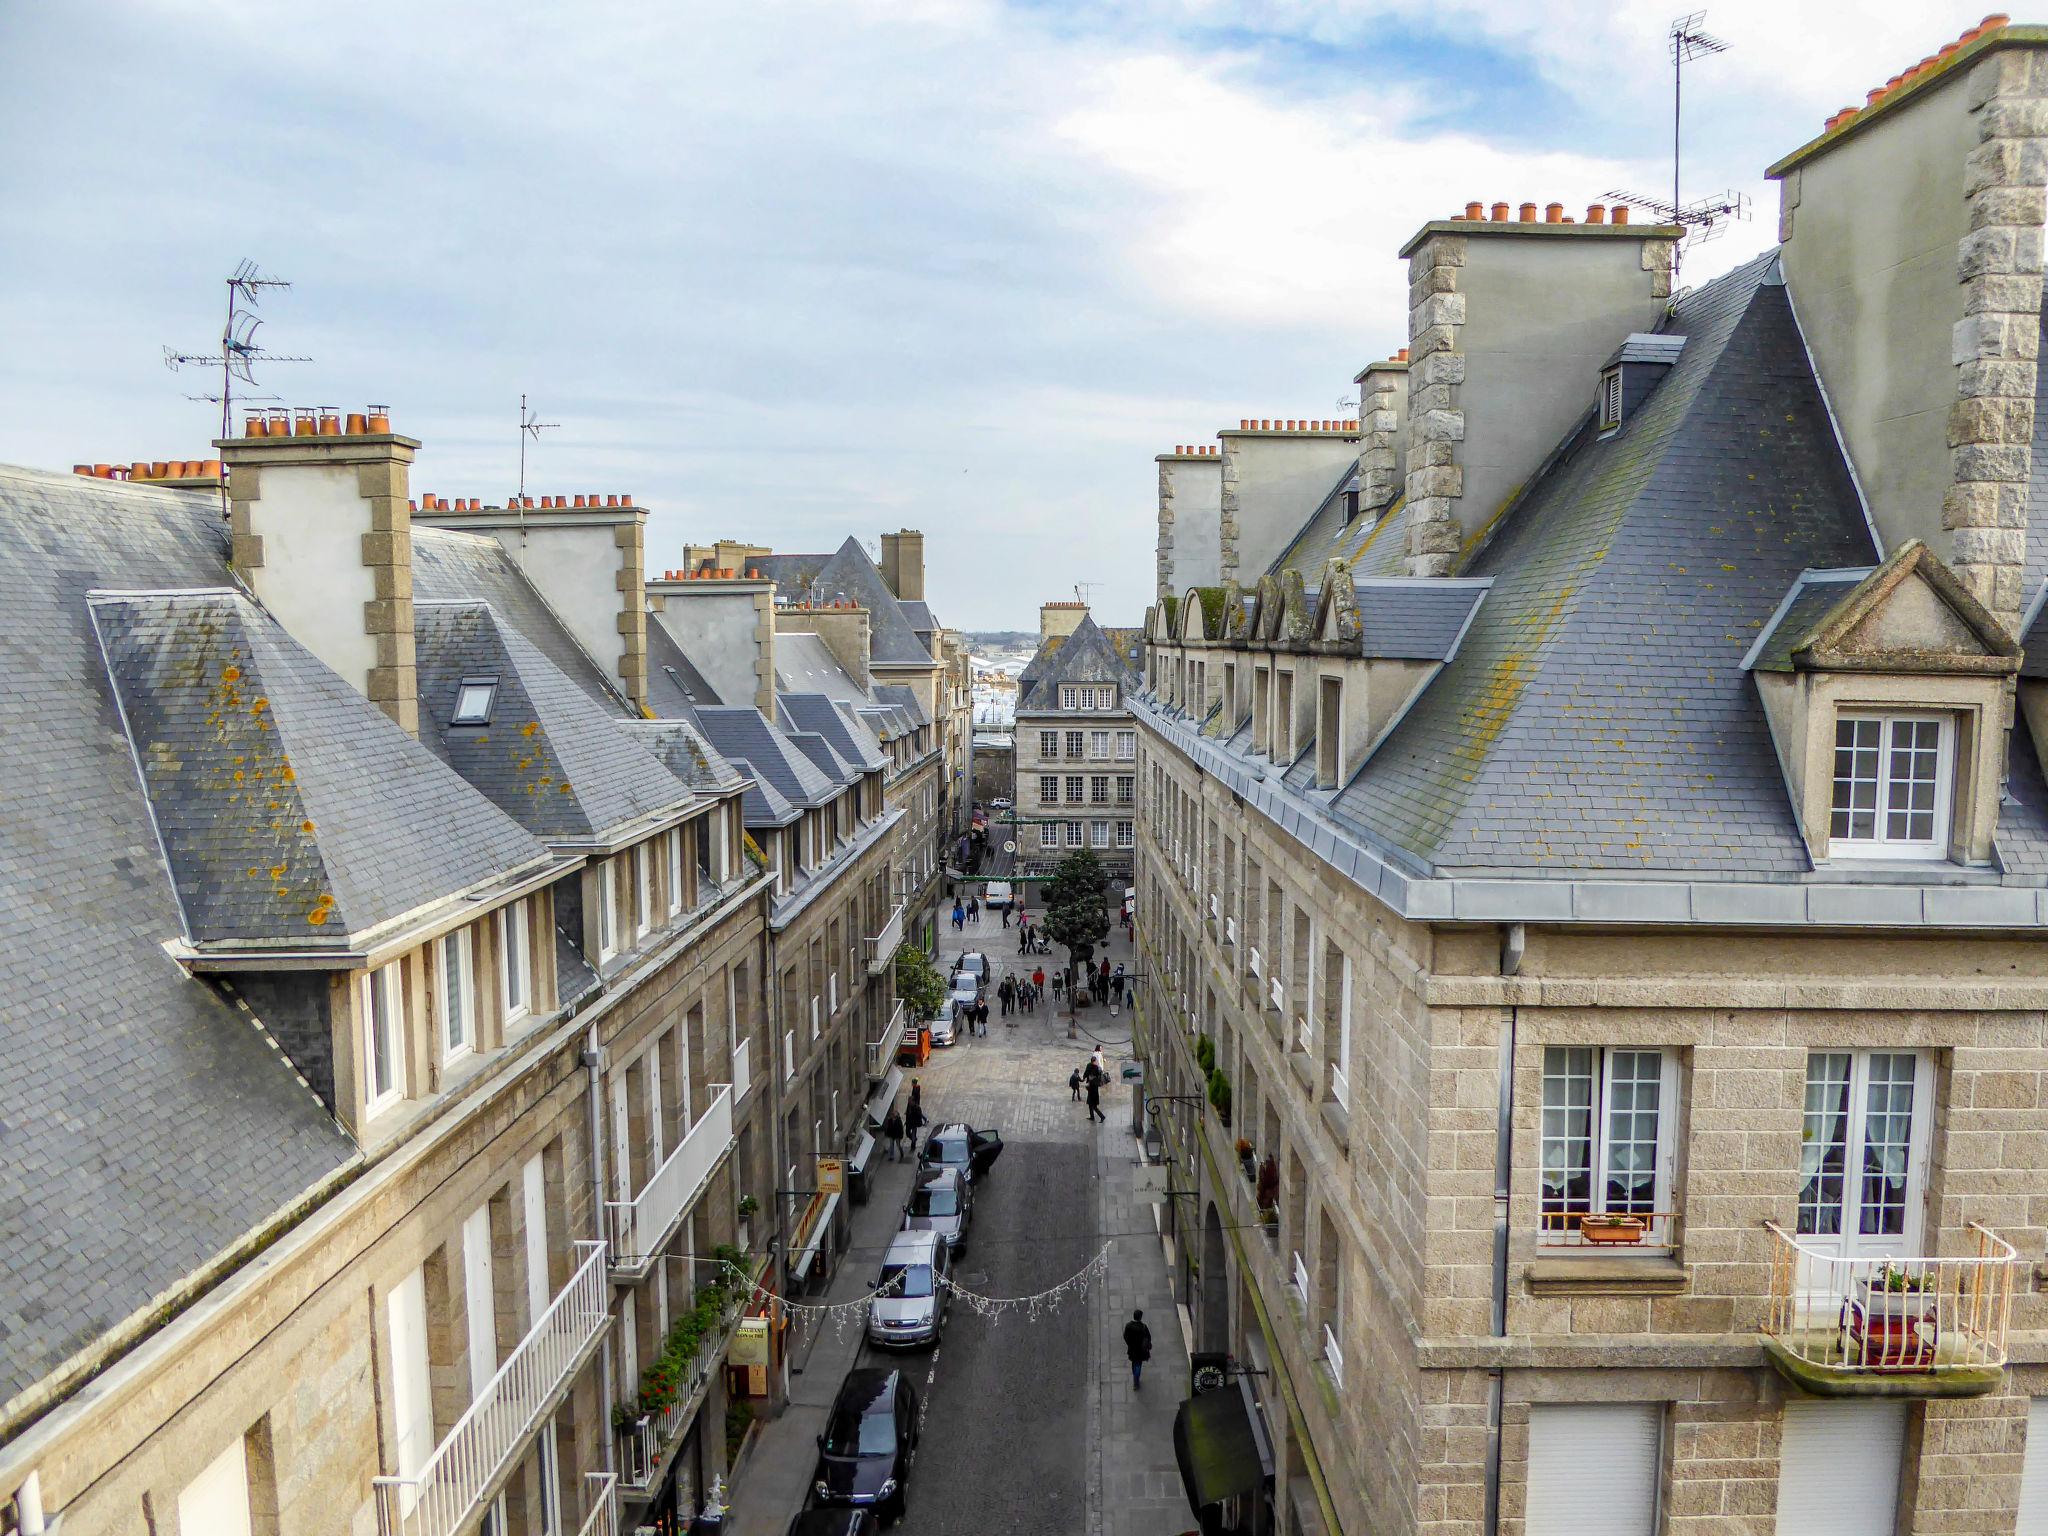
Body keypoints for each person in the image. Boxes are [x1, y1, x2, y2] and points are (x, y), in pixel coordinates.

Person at [1124, 1310, 1152, 1390]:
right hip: (1140, 1350)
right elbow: (1149, 1337)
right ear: (1140, 1317)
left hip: (1132, 1349)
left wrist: (1129, 1344)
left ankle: (1135, 1377)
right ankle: (1136, 1381)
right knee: (1138, 1365)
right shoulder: (1143, 1327)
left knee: (1134, 1363)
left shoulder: (1128, 1326)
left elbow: (1125, 1336)